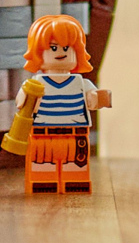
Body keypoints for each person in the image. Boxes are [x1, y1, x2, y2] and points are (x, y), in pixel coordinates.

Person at [16, 14, 111, 195]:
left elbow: (94, 99)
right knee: (43, 160)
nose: (61, 52)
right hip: (42, 133)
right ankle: (44, 182)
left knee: (76, 161)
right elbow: (21, 101)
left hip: (76, 132)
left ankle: (75, 181)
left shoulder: (81, 83)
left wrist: (96, 98)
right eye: (53, 47)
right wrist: (25, 98)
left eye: (67, 47)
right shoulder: (36, 83)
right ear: (38, 53)